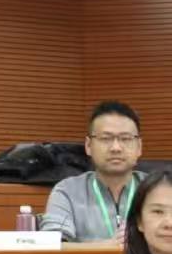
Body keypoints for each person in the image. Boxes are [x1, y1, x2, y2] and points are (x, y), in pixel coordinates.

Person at [40, 100, 144, 245]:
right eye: (106, 138)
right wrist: (107, 247)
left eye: (125, 139)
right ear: (88, 146)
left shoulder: (158, 189)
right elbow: (53, 246)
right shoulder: (68, 191)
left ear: (139, 147)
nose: (116, 148)